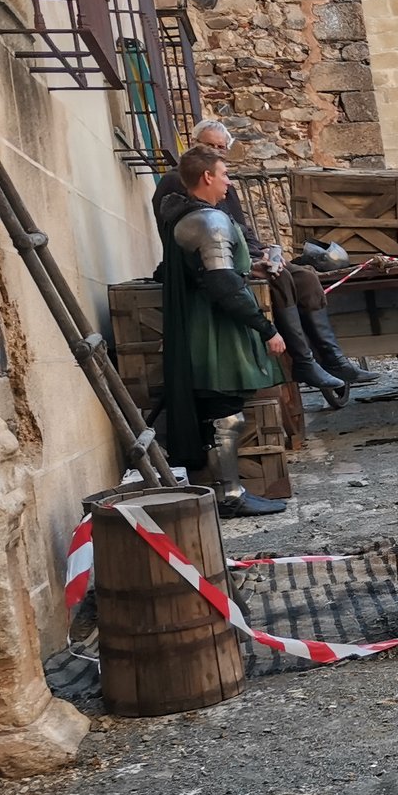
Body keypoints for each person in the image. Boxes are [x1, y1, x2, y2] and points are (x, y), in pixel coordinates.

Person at [152, 120, 376, 409]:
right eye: (210, 146)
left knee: (305, 276)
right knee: (280, 277)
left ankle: (333, 359)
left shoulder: (222, 181)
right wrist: (254, 263)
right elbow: (198, 241)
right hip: (212, 268)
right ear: (196, 144)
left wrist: (266, 251)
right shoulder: (180, 181)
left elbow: (239, 229)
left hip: (242, 253)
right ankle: (304, 361)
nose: (217, 153)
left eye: (221, 148)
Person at [156, 146, 289, 517]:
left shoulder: (189, 217)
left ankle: (230, 491)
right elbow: (222, 285)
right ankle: (230, 495)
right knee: (225, 414)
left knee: (221, 412)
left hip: (203, 327)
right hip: (213, 332)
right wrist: (265, 327)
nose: (229, 182)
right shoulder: (208, 222)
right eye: (225, 174)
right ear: (207, 177)